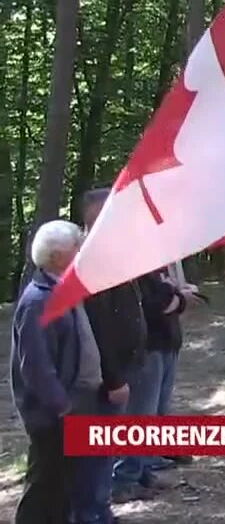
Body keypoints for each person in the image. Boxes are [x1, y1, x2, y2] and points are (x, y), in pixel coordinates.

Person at [76, 188, 149, 511]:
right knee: (99, 449)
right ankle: (92, 513)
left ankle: (99, 509)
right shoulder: (91, 261)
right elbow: (98, 328)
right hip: (108, 374)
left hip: (127, 362)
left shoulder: (114, 253)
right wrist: (114, 378)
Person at [11, 220, 83, 524]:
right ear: (56, 257)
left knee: (61, 485)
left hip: (64, 409)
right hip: (49, 414)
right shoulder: (38, 300)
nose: (81, 252)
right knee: (43, 484)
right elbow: (36, 365)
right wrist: (63, 406)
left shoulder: (60, 290)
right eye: (75, 247)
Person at [113, 264, 201, 492]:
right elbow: (152, 306)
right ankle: (125, 478)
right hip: (147, 349)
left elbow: (166, 300)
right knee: (139, 417)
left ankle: (144, 470)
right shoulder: (133, 269)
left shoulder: (154, 266)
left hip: (165, 345)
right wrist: (178, 297)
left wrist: (175, 294)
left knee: (155, 413)